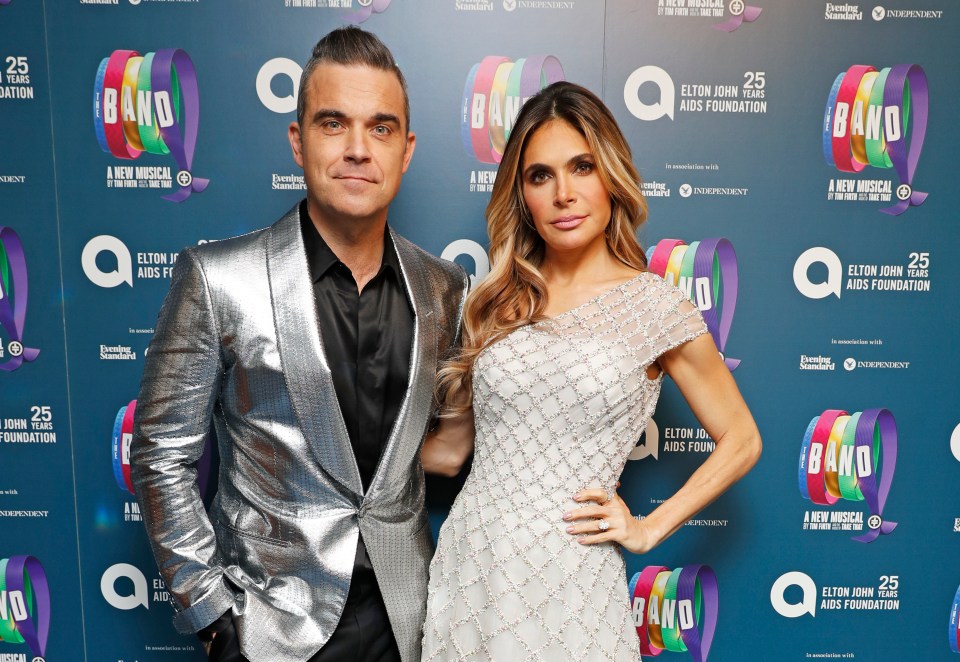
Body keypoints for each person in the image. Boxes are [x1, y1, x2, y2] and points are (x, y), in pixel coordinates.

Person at [131, 26, 468, 662]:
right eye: (333, 123)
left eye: (381, 128)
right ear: (297, 140)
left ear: (407, 149)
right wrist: (213, 617)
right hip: (273, 630)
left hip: (414, 624)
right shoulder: (217, 278)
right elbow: (159, 456)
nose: (358, 149)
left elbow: (446, 446)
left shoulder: (445, 290)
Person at [419, 81, 761, 660]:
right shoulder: (496, 301)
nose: (563, 194)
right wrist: (341, 433)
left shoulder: (656, 306)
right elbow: (450, 452)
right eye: (540, 175)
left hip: (572, 572)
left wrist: (651, 527)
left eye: (581, 167)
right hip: (473, 567)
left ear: (610, 176)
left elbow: (742, 439)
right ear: (521, 195)